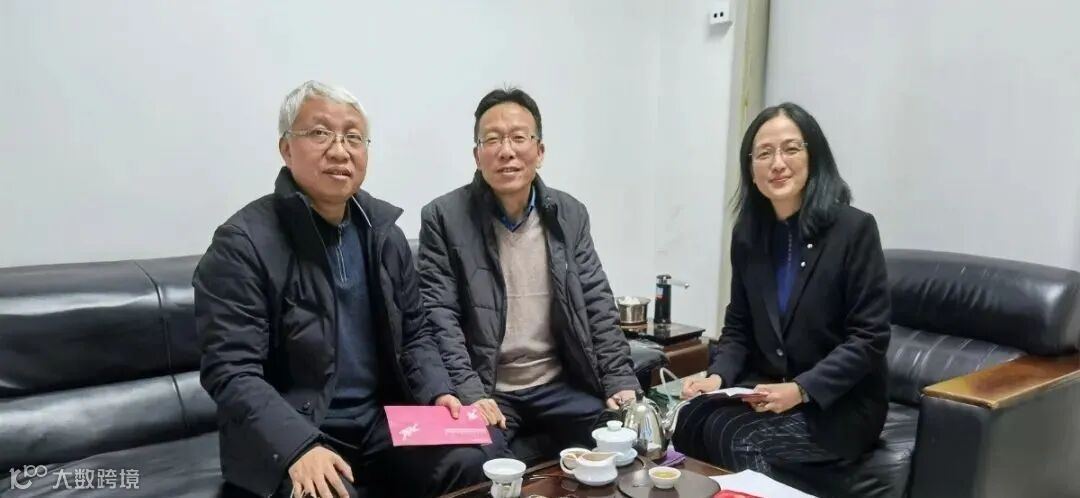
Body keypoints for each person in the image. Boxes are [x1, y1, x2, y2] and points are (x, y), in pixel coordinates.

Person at [194, 80, 484, 498]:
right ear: (286, 148)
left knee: (472, 460)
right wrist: (297, 446)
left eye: (353, 137)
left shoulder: (383, 235)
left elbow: (415, 332)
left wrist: (438, 392)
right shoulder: (242, 244)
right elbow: (231, 371)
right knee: (327, 492)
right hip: (292, 431)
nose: (339, 150)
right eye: (319, 133)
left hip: (380, 425)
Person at [673, 102, 891, 492]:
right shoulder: (748, 235)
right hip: (769, 389)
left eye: (791, 149)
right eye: (764, 153)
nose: (777, 163)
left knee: (739, 437)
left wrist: (802, 389)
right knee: (689, 420)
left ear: (814, 157)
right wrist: (717, 376)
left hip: (838, 404)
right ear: (750, 168)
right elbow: (738, 326)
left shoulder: (853, 230)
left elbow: (869, 339)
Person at [417, 87, 640, 459]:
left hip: (558, 385)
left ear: (540, 151)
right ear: (477, 155)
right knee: (473, 461)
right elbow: (439, 316)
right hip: (491, 389)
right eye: (492, 139)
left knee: (626, 438)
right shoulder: (443, 218)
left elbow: (596, 302)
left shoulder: (569, 215)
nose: (507, 151)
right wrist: (470, 392)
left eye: (519, 138)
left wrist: (619, 379)